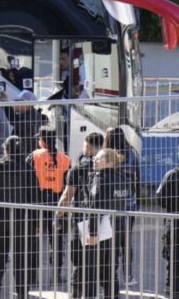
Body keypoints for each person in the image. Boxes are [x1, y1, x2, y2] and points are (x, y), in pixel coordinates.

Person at [0, 136, 39, 299]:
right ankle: (21, 293)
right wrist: (36, 223)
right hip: (23, 222)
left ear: (6, 149)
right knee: (21, 259)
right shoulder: (28, 169)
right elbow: (35, 198)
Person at [57, 131, 104, 298]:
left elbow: (67, 196)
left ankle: (76, 295)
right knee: (94, 264)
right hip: (101, 223)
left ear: (89, 147)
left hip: (80, 221)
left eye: (84, 145)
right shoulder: (106, 169)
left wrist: (58, 216)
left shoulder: (77, 169)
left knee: (79, 263)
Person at [83, 148, 127, 299]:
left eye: (99, 158)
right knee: (110, 267)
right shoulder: (122, 177)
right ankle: (112, 295)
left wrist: (92, 233)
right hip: (118, 228)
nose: (94, 159)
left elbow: (96, 207)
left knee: (93, 267)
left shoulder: (101, 178)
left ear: (109, 163)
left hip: (103, 230)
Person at [28, 126, 70, 280]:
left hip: (38, 202)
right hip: (57, 203)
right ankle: (56, 275)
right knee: (56, 241)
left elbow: (26, 178)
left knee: (34, 240)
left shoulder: (34, 156)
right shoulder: (65, 159)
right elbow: (69, 182)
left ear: (42, 141)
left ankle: (32, 276)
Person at [104, 126, 140, 286]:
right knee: (126, 241)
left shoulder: (107, 155)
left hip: (110, 204)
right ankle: (128, 276)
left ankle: (110, 275)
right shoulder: (132, 154)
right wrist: (137, 201)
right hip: (129, 203)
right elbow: (138, 179)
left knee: (110, 240)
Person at [156, 166, 179, 298]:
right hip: (173, 223)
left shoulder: (171, 175)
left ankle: (171, 288)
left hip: (173, 222)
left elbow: (160, 199)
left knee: (173, 258)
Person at [8, 90, 48, 155]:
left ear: (29, 104)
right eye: (15, 101)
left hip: (26, 155)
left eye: (19, 101)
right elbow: (13, 119)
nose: (15, 104)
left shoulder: (29, 118)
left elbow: (14, 119)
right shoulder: (31, 115)